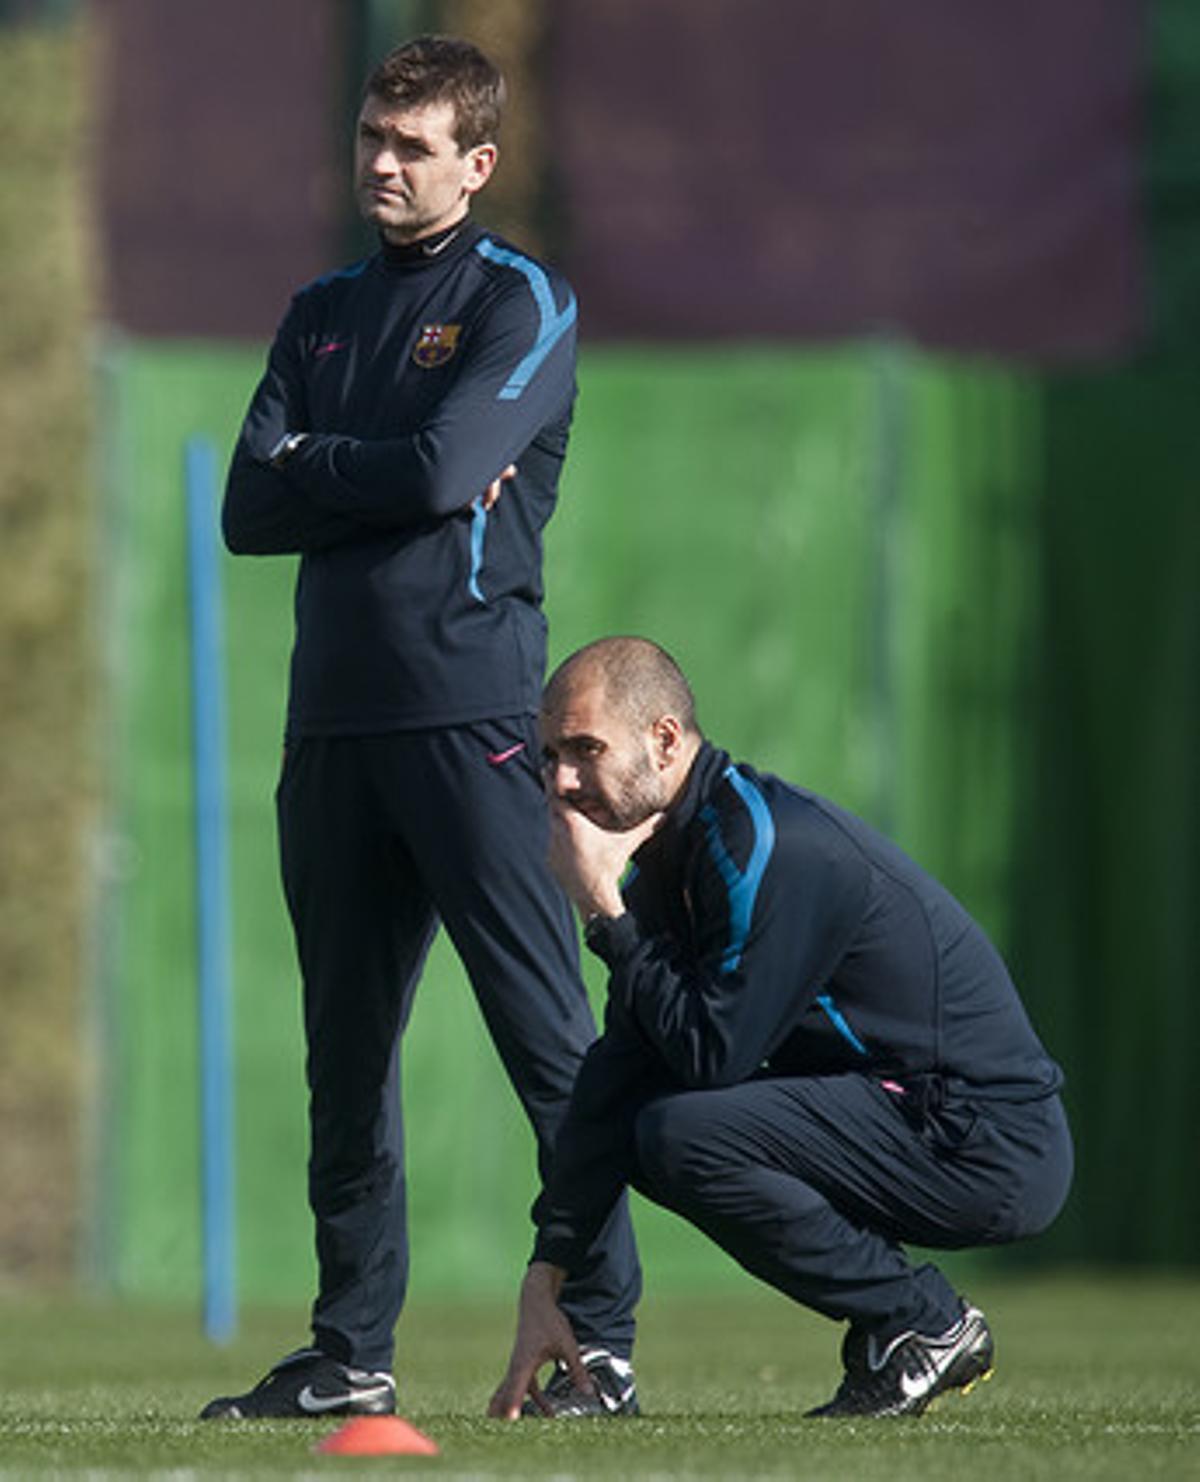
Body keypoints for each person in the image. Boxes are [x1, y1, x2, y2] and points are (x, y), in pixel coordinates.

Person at [201, 38, 640, 1421]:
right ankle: (349, 1345)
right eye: (372, 139)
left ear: (477, 163)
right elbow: (243, 510)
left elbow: (450, 471)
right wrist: (365, 472)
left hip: (471, 720)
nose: (385, 162)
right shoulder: (319, 309)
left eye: (413, 143)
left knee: (547, 1040)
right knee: (345, 1052)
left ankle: (600, 1343)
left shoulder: (521, 302)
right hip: (331, 727)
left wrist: (320, 463)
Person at [488, 636, 1074, 1420]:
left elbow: (711, 1055)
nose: (560, 780)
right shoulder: (674, 851)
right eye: (551, 754)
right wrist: (546, 1275)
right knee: (639, 1106)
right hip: (901, 1109)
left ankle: (919, 1323)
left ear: (664, 741)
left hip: (986, 1138)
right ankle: (609, 1360)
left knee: (681, 1131)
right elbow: (620, 1067)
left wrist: (607, 913)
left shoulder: (761, 842)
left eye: (585, 750)